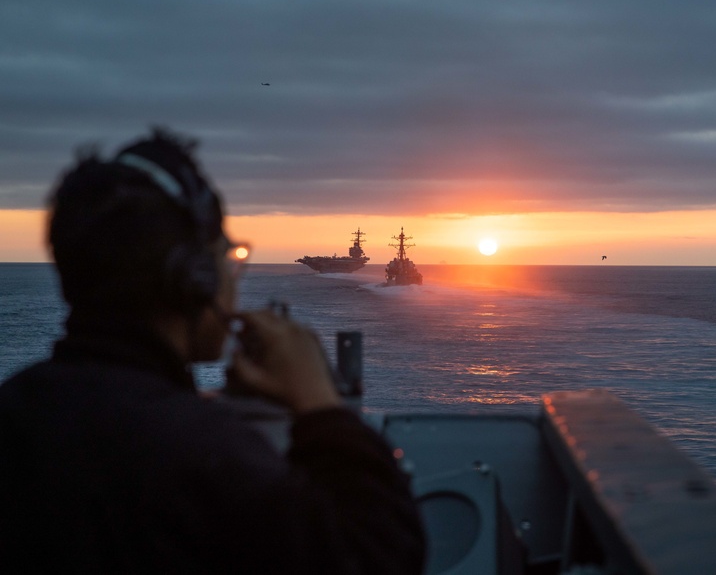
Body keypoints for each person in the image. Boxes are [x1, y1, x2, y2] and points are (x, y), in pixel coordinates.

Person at [0, 128, 426, 573]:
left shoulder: (14, 413)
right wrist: (321, 405)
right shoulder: (206, 458)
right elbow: (380, 556)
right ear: (192, 276)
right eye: (228, 257)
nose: (233, 277)